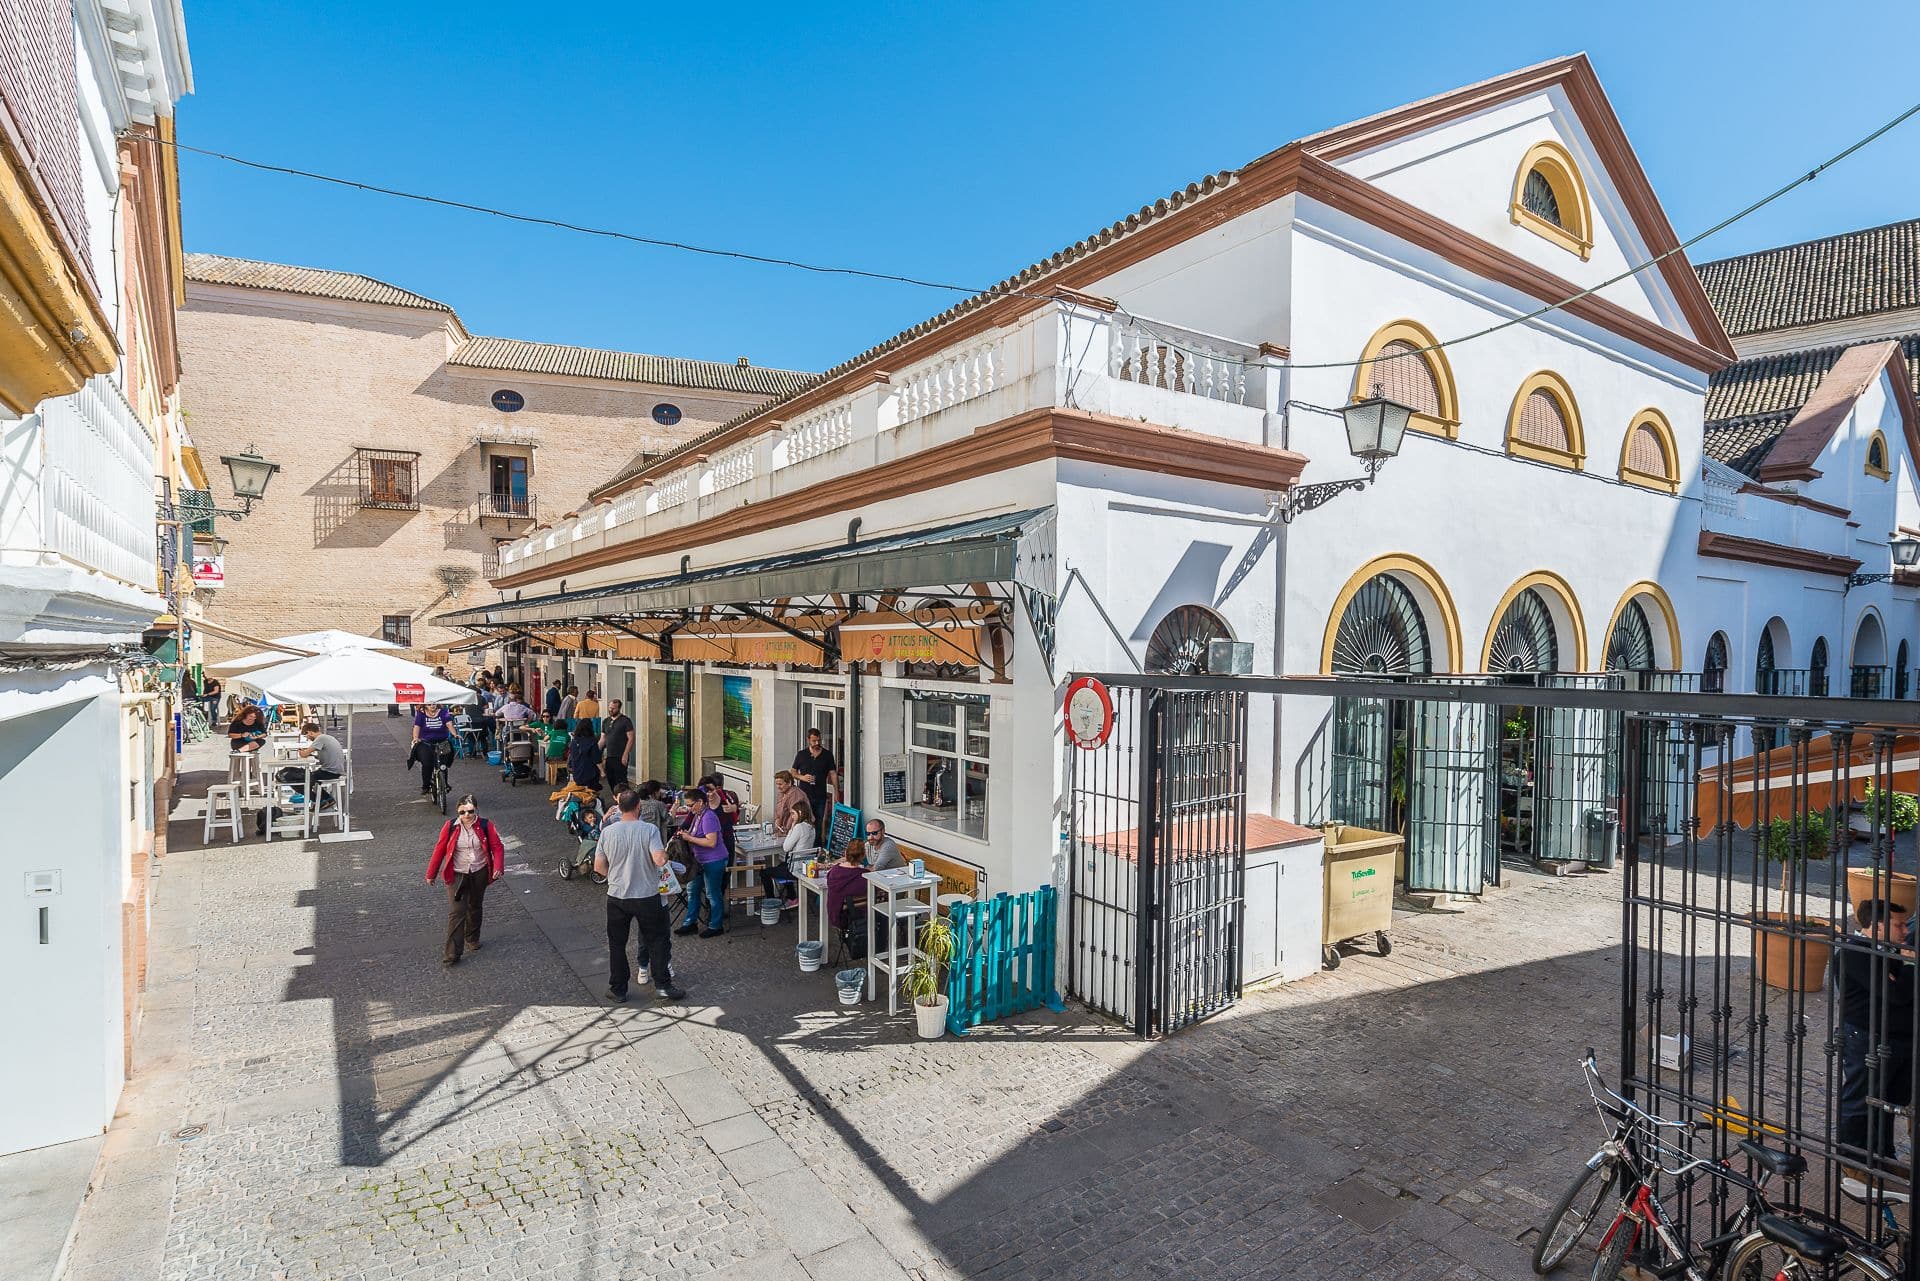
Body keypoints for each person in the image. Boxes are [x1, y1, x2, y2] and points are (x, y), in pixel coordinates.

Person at [1836, 898, 1915, 1195]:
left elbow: (1901, 990)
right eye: (1899, 924)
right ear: (1878, 926)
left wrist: (1901, 975)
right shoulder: (1856, 953)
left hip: (1897, 1040)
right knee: (1862, 1099)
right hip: (1867, 1040)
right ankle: (1852, 1163)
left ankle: (1882, 1158)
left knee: (1888, 1101)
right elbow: (1896, 994)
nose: (1905, 930)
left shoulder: (1890, 951)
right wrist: (1908, 965)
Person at [596, 789, 685, 1002]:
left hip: (617, 896)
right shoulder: (649, 830)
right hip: (647, 894)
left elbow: (599, 866)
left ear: (619, 807)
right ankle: (663, 985)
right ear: (638, 807)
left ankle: (618, 988)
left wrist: (616, 876)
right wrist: (665, 853)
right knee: (658, 940)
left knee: (617, 943)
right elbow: (659, 859)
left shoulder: (608, 832)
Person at [425, 794, 505, 966]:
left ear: (475, 810)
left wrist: (498, 867)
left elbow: (497, 847)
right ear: (457, 811)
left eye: (470, 811)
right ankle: (452, 954)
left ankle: (472, 937)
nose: (466, 815)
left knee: (474, 906)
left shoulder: (486, 825)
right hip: (457, 874)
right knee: (456, 912)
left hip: (479, 872)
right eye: (462, 812)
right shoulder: (450, 827)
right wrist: (431, 873)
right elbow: (439, 850)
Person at [672, 788, 728, 937]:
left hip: (713, 860)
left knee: (712, 893)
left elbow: (711, 842)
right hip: (698, 860)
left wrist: (689, 838)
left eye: (691, 805)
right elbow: (696, 834)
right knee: (692, 890)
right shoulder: (697, 815)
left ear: (700, 802)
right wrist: (685, 834)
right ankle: (690, 923)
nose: (689, 808)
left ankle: (716, 925)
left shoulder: (708, 817)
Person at [762, 798, 815, 905]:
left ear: (800, 813)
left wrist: (792, 827)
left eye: (793, 813)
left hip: (794, 869)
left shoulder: (799, 827)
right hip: (804, 867)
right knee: (782, 865)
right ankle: (792, 897)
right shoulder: (811, 828)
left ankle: (771, 901)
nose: (792, 816)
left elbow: (786, 847)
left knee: (764, 873)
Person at [790, 728, 838, 830]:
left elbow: (833, 773)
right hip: (804, 795)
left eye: (819, 740)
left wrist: (836, 791)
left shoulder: (827, 755)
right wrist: (802, 777)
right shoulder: (801, 754)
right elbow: (793, 772)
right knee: (804, 822)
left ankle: (817, 844)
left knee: (819, 822)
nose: (817, 743)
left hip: (820, 794)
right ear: (808, 740)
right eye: (814, 741)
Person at [278, 719, 345, 789]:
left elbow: (304, 754)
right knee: (302, 776)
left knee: (294, 779)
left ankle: (324, 798)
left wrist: (301, 751)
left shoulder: (320, 739)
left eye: (306, 736)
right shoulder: (326, 737)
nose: (307, 738)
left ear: (310, 732)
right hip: (335, 771)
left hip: (329, 773)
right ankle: (319, 797)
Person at [824, 838, 870, 932]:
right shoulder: (865, 877)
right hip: (860, 918)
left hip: (837, 916)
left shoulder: (833, 872)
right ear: (863, 855)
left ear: (845, 853)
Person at [409, 702, 454, 795]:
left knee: (443, 765)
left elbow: (449, 724)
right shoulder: (421, 714)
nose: (432, 706)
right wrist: (415, 738)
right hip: (426, 742)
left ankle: (444, 784)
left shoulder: (443, 712)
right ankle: (426, 785)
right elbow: (417, 727)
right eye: (429, 704)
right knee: (427, 763)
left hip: (442, 741)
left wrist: (455, 734)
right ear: (425, 705)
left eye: (434, 704)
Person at [700, 773, 741, 861]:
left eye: (716, 789)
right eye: (708, 790)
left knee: (726, 867)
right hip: (710, 842)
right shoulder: (701, 801)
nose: (711, 793)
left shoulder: (727, 797)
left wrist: (734, 808)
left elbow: (735, 814)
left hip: (725, 838)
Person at [601, 700, 634, 793]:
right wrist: (596, 750)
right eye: (609, 707)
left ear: (619, 708)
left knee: (621, 780)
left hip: (620, 755)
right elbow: (602, 739)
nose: (610, 710)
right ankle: (616, 798)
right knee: (611, 779)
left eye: (613, 708)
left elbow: (631, 738)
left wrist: (626, 754)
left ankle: (625, 799)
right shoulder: (606, 721)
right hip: (609, 755)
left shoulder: (625, 721)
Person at [567, 719, 604, 793]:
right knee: (593, 789)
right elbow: (597, 759)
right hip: (590, 773)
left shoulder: (574, 741)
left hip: (577, 772)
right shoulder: (592, 741)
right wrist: (602, 771)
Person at [771, 770, 805, 836]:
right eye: (777, 784)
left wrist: (785, 831)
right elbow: (778, 809)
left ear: (789, 783)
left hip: (797, 830)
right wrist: (777, 819)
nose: (778, 787)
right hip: (786, 828)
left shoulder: (795, 794)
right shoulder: (782, 793)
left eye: (780, 784)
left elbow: (794, 816)